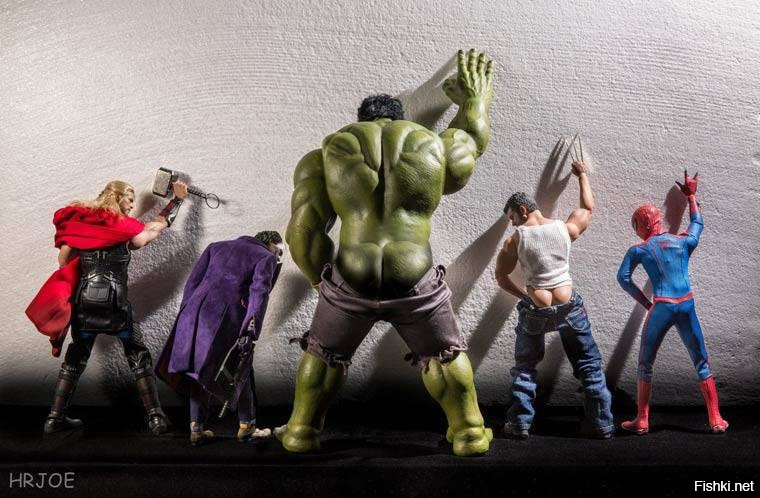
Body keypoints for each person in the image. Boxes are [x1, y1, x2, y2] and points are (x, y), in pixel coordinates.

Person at [277, 49, 495, 457]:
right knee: (444, 358)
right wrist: (475, 101)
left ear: (361, 120)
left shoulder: (327, 154)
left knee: (323, 357)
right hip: (413, 276)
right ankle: (469, 434)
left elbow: (303, 232)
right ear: (399, 119)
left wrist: (324, 286)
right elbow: (469, 144)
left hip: (351, 277)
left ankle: (301, 432)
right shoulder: (431, 145)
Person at [27, 179, 188, 435]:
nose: (132, 207)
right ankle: (156, 417)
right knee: (137, 354)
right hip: (116, 305)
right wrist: (177, 200)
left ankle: (54, 418)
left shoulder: (81, 226)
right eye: (130, 200)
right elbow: (154, 228)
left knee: (76, 356)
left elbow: (64, 261)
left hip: (85, 304)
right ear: (117, 196)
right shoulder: (126, 229)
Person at [494, 160, 614, 439]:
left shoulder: (515, 240)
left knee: (525, 369)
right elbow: (587, 209)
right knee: (588, 365)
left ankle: (519, 424)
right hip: (569, 305)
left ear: (522, 210)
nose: (512, 222)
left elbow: (500, 276)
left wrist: (524, 296)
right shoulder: (563, 229)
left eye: (512, 217)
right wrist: (582, 175)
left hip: (536, 310)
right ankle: (601, 424)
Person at [617, 170, 728, 434]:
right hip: (687, 304)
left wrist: (646, 303)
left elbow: (623, 278)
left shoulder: (639, 250)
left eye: (635, 224)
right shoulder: (681, 242)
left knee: (645, 364)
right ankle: (715, 418)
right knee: (701, 361)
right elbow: (697, 224)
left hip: (663, 306)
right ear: (657, 220)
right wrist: (692, 196)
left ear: (643, 225)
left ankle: (642, 420)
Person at [156, 231, 285, 445]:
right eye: (279, 252)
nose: (278, 258)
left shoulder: (216, 246)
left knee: (198, 369)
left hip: (193, 314)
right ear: (269, 243)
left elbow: (192, 282)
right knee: (241, 368)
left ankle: (196, 428)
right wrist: (251, 328)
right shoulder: (265, 257)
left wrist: (187, 312)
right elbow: (259, 294)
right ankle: (247, 426)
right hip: (227, 319)